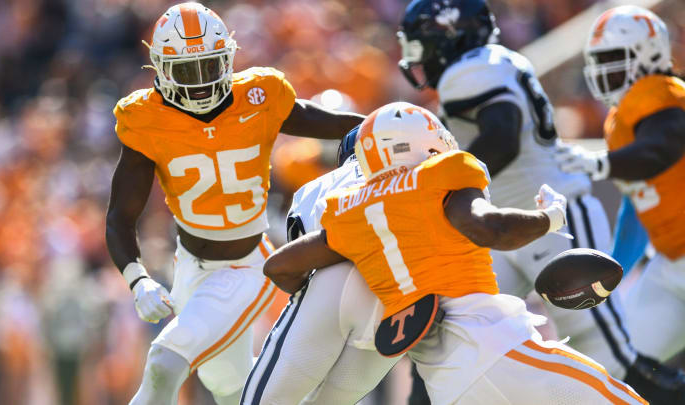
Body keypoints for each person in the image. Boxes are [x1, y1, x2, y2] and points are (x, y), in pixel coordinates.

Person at [263, 101, 646, 404]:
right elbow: (490, 227)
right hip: (499, 347)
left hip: (446, 385)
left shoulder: (350, 211)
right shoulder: (442, 173)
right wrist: (550, 217)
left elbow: (279, 267)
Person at [397, 0, 684, 402]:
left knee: (612, 363)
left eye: (420, 44)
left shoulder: (662, 95)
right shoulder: (613, 116)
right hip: (510, 224)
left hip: (549, 216)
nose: (415, 57)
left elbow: (503, 135)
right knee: (455, 338)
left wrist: (443, 190)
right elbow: (637, 205)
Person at [105, 3, 364, 405]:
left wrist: (390, 123)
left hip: (247, 264)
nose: (202, 85)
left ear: (228, 58)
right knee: (232, 390)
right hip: (189, 266)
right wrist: (138, 279)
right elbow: (121, 216)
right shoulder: (146, 119)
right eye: (188, 72)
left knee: (164, 362)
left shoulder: (257, 96)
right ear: (160, 69)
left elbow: (326, 122)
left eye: (210, 67)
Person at [557, 5, 685, 368]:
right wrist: (613, 274)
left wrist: (601, 163)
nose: (605, 68)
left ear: (651, 53)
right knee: (613, 365)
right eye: (600, 59)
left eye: (615, 57)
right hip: (670, 265)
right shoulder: (622, 119)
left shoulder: (663, 93)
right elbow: (638, 208)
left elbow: (662, 148)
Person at [240, 125, 405, 405]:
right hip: (396, 306)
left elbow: (286, 258)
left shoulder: (321, 182)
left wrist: (301, 285)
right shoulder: (441, 179)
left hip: (330, 291)